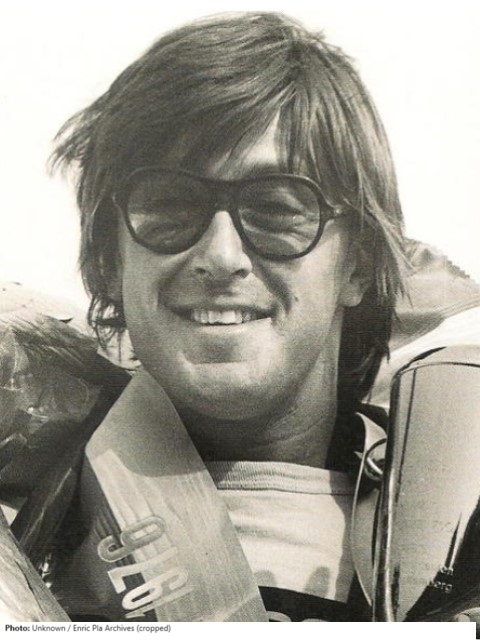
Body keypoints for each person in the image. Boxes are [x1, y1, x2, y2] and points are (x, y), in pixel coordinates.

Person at [1, 11, 479, 623]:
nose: (221, 256)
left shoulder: (456, 537)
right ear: (109, 259)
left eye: (277, 208)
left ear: (358, 265)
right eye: (170, 206)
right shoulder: (27, 515)